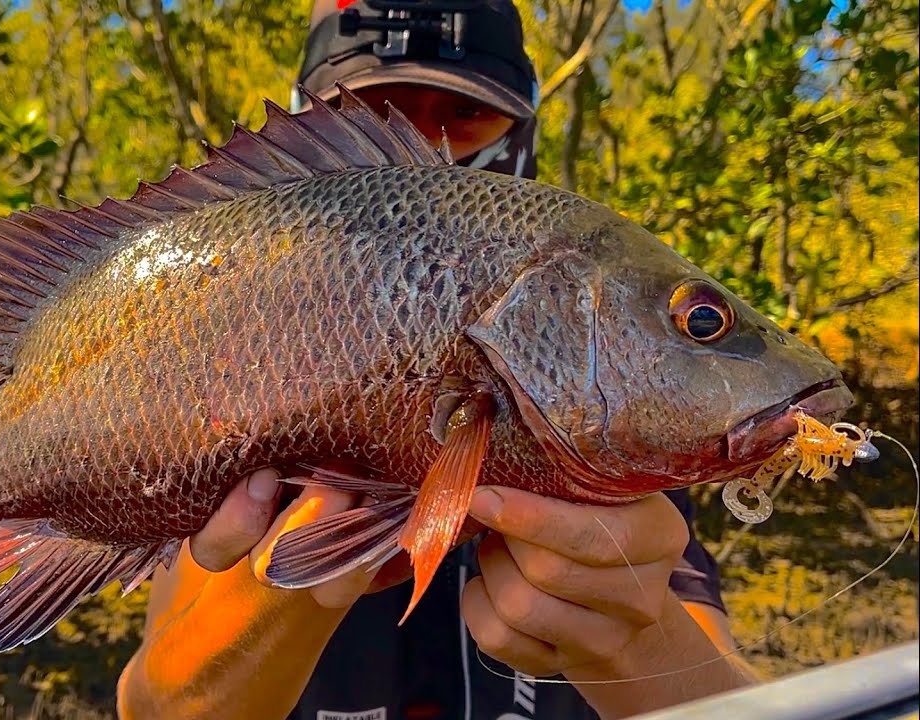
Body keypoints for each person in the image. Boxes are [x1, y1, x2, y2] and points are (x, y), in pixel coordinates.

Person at [117, 2, 761, 718]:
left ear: (523, 131)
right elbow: (151, 704)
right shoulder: (225, 335)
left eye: (464, 113)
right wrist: (291, 578)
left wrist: (641, 643)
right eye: (375, 112)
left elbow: (733, 692)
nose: (425, 146)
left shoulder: (596, 361)